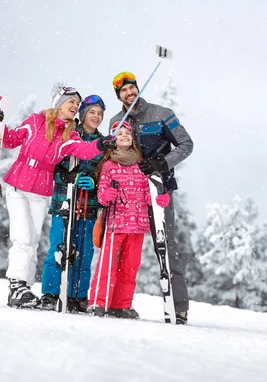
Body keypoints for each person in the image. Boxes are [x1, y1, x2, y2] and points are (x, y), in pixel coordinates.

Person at [0, 85, 115, 308]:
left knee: (34, 241)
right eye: (71, 102)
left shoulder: (70, 134)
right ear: (59, 103)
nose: (75, 107)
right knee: (22, 237)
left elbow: (84, 151)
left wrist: (100, 144)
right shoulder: (36, 121)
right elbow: (11, 140)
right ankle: (16, 284)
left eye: (77, 104)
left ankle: (24, 289)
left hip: (40, 191)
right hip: (19, 185)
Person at [108, 72, 194, 325]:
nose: (129, 93)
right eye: (124, 91)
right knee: (122, 249)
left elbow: (186, 144)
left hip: (158, 189)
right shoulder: (116, 121)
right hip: (127, 195)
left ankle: (177, 308)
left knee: (165, 245)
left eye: (132, 88)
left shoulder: (160, 113)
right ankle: (114, 303)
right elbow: (111, 154)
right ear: (119, 96)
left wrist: (162, 162)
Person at [87, 121, 170, 318]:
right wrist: (106, 194)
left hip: (137, 224)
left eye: (127, 133)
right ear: (113, 139)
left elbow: (147, 194)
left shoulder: (141, 165)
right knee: (107, 264)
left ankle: (120, 304)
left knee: (130, 266)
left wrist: (159, 199)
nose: (124, 135)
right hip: (116, 222)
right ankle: (98, 302)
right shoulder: (109, 165)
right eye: (119, 133)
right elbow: (101, 194)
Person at [39, 94, 107, 312]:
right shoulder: (67, 135)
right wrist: (65, 177)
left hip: (88, 205)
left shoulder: (103, 143)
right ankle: (50, 293)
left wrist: (94, 182)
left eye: (100, 114)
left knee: (84, 252)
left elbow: (105, 173)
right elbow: (52, 163)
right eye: (92, 112)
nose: (96, 117)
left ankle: (77, 296)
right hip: (64, 201)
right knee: (59, 247)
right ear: (83, 114)